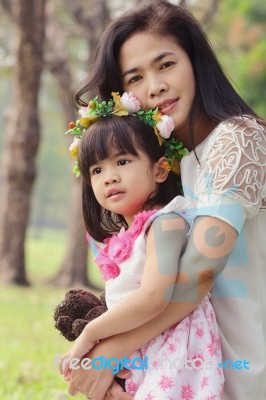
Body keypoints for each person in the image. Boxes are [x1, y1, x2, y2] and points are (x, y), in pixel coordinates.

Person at [64, 1, 266, 399]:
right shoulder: (165, 167)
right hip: (180, 369)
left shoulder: (238, 139)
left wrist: (107, 353)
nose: (154, 86)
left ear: (195, 62)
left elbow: (198, 274)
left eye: (166, 65)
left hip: (245, 365)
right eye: (135, 77)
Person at [59, 92, 224, 399]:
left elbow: (152, 297)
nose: (109, 177)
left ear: (160, 170)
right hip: (143, 345)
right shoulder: (129, 234)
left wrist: (91, 333)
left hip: (173, 348)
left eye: (122, 161)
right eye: (97, 170)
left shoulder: (166, 222)